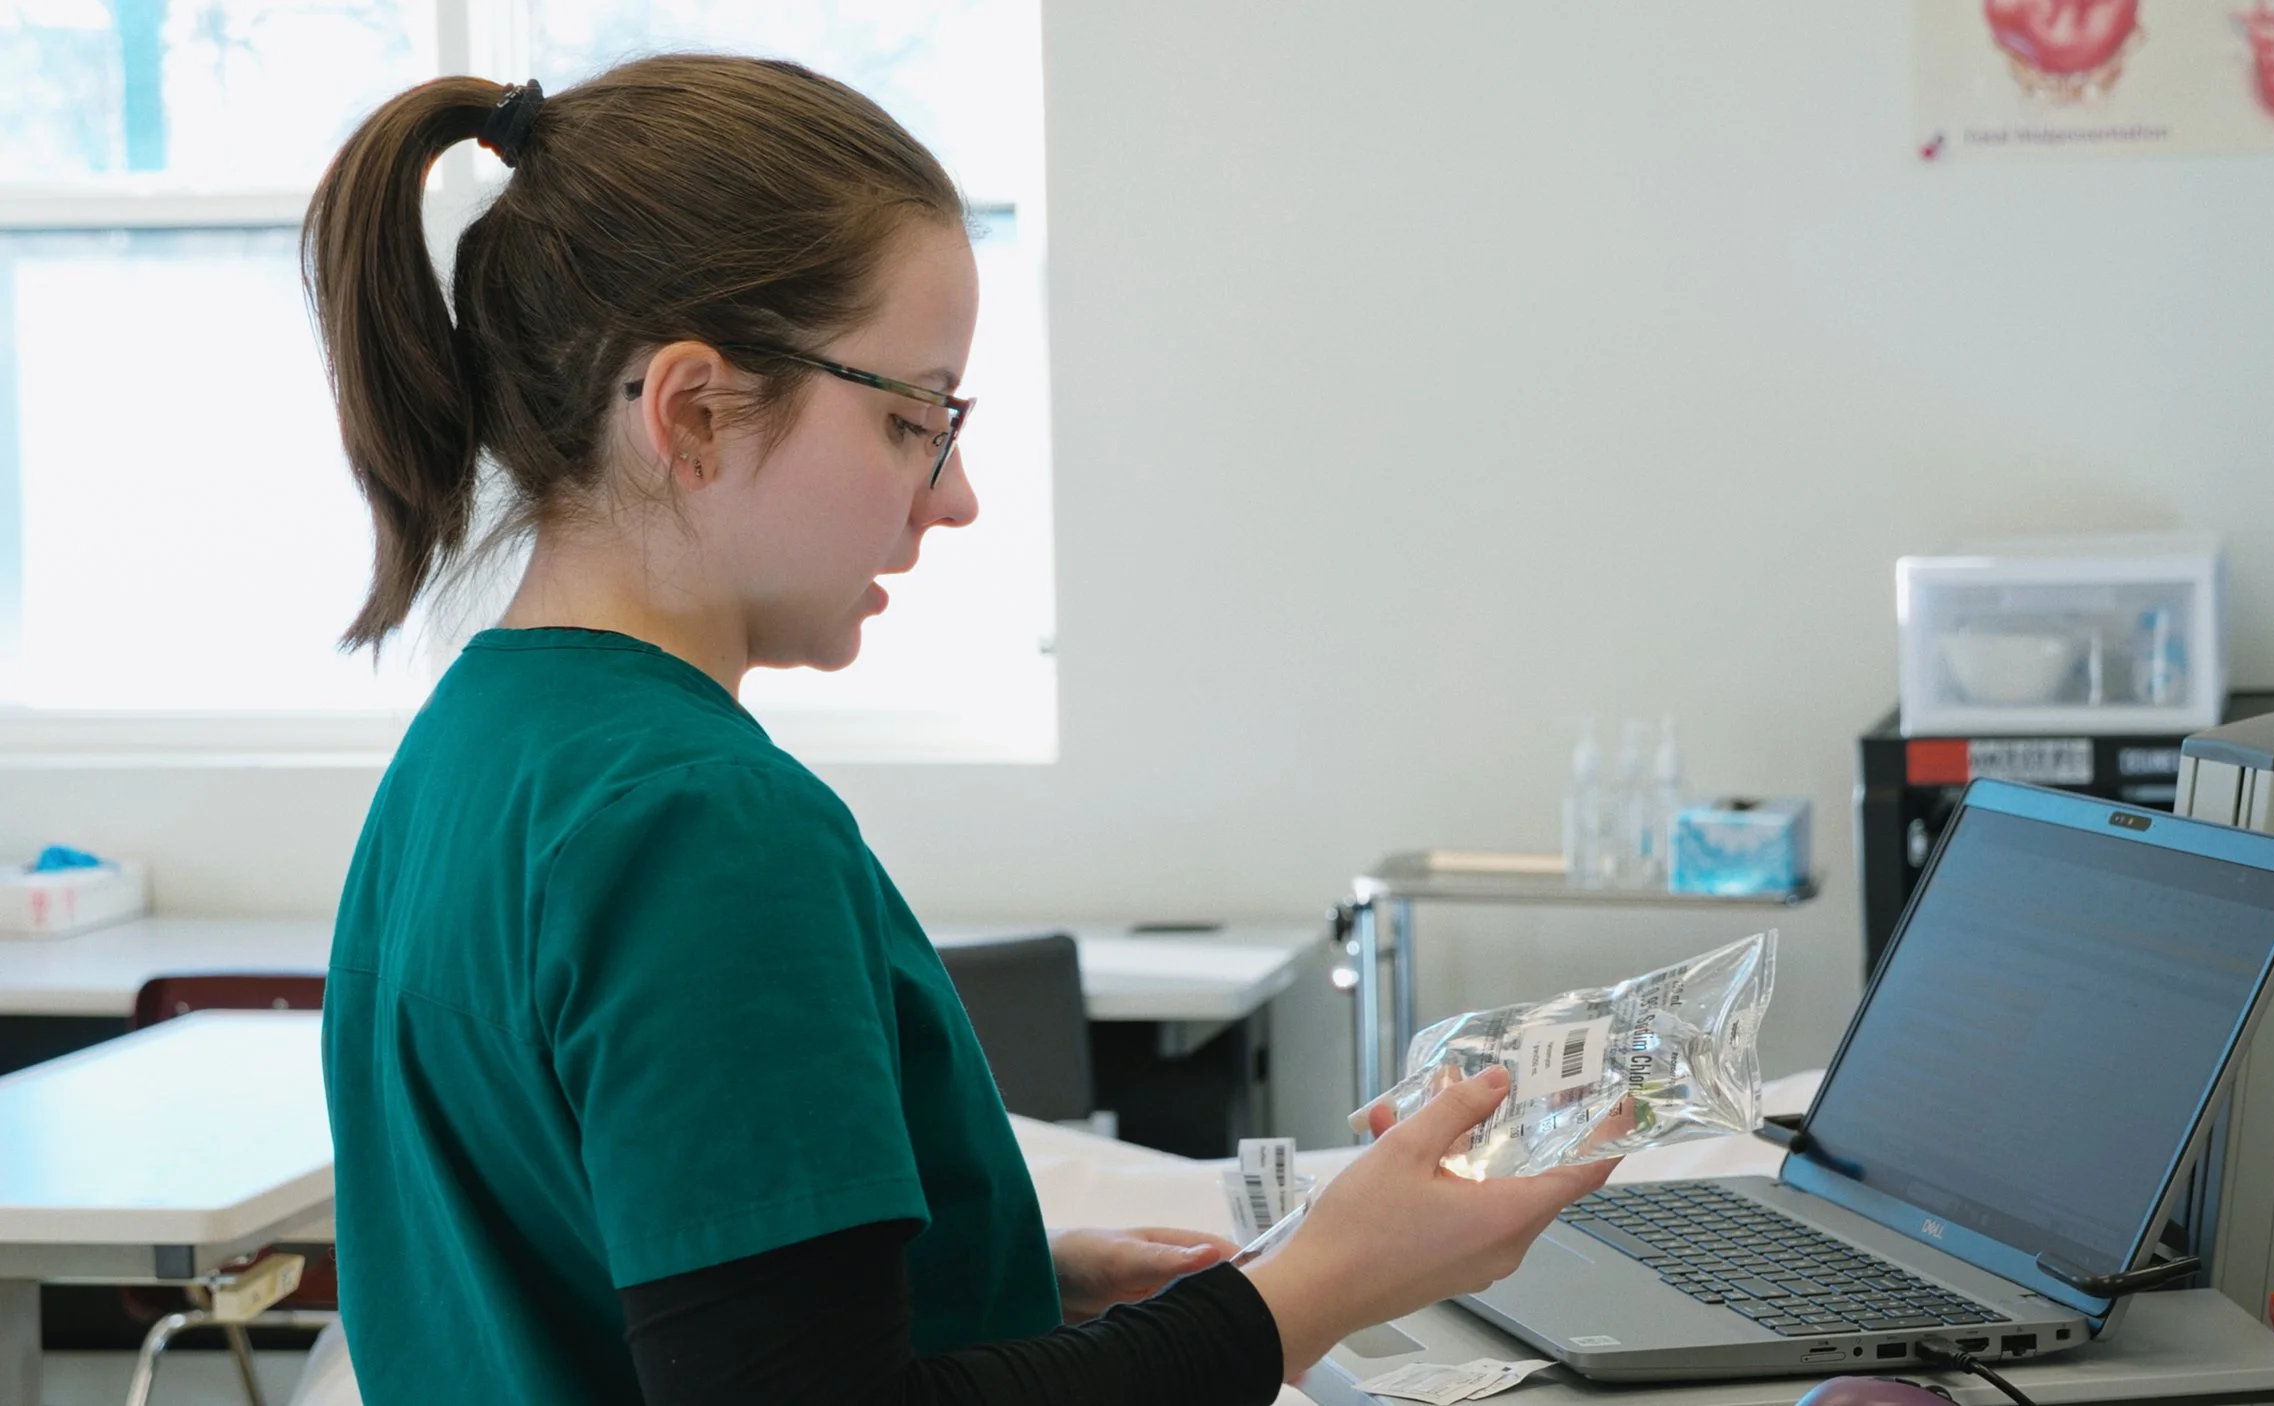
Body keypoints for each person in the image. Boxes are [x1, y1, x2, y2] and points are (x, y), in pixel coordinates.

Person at [308, 56, 1616, 1406]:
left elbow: (625, 1278)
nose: (957, 495)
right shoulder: (699, 820)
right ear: (691, 414)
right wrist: (1322, 1281)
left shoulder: (466, 751)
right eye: (910, 419)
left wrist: (1000, 1269)